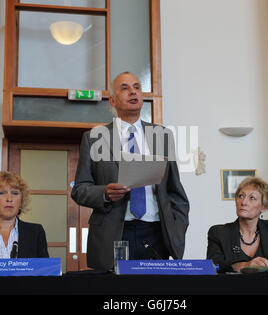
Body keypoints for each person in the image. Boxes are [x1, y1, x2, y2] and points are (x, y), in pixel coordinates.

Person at [71, 72, 190, 271]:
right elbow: (80, 189)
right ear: (113, 100)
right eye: (125, 88)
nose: (133, 92)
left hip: (156, 232)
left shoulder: (162, 135)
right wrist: (105, 193)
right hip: (114, 233)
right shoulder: (94, 137)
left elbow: (175, 190)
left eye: (136, 87)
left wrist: (176, 229)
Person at [207, 177, 268, 272]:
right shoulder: (219, 232)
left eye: (252, 198)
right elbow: (212, 266)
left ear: (264, 207)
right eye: (241, 196)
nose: (243, 202)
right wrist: (243, 265)